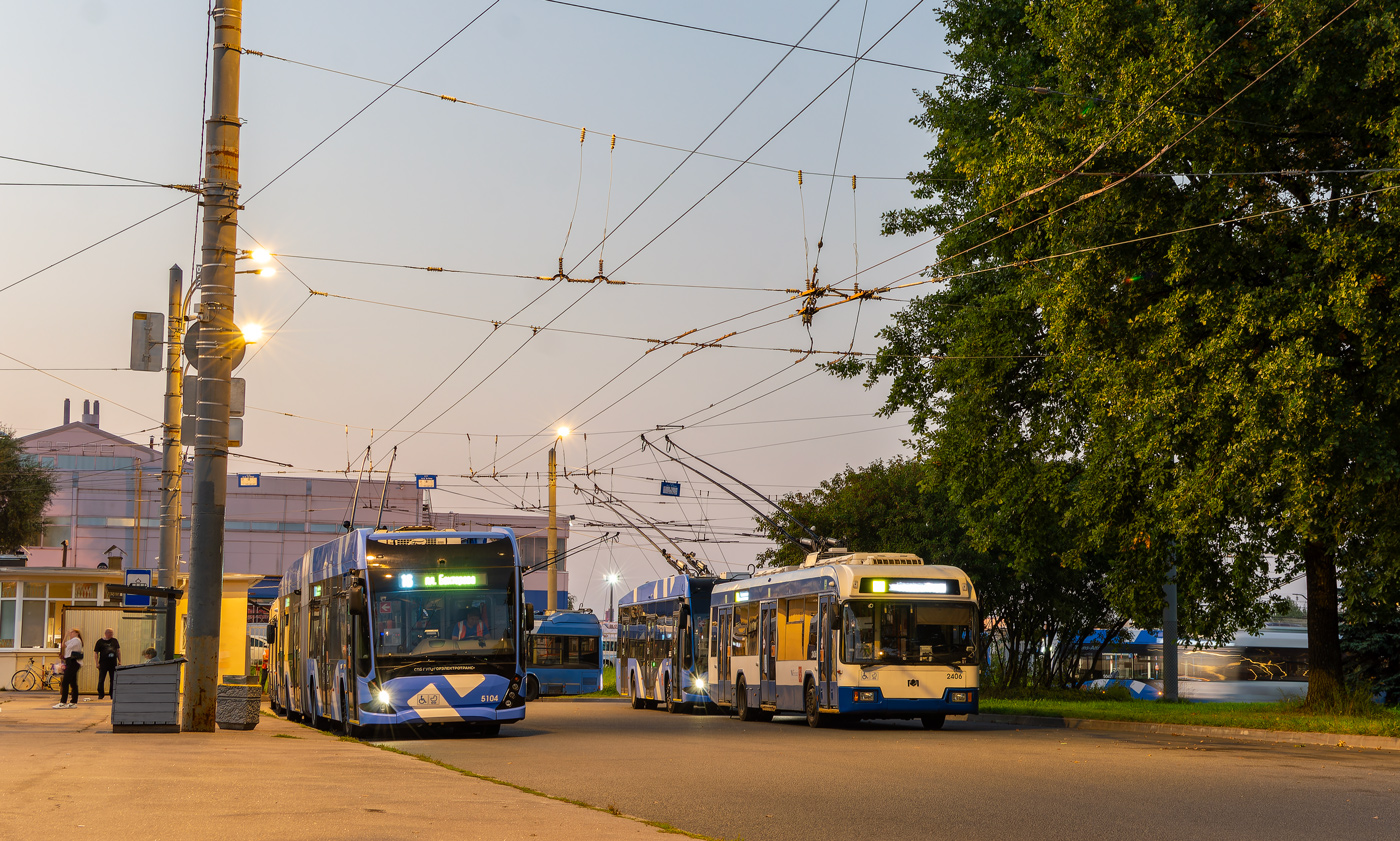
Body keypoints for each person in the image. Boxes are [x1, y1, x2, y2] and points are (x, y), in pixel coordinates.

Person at [54, 629, 83, 709]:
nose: (70, 634)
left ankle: (63, 702)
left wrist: (66, 635)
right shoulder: (73, 640)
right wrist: (66, 635)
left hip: (73, 662)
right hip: (71, 662)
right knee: (73, 683)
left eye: (72, 632)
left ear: (77, 633)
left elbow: (64, 645)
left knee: (65, 682)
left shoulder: (76, 640)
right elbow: (63, 645)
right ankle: (73, 702)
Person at [93, 628, 121, 699]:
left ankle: (112, 694)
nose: (111, 635)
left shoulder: (115, 641)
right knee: (101, 679)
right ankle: (101, 694)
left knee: (113, 679)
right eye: (110, 633)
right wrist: (97, 663)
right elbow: (96, 653)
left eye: (112, 633)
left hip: (113, 663)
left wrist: (119, 661)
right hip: (103, 663)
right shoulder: (100, 641)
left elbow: (118, 651)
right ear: (106, 634)